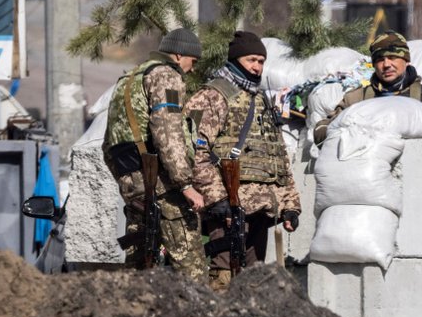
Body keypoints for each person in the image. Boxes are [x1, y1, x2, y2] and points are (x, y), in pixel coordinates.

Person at [184, 31, 301, 291]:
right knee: (223, 278)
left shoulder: (260, 100)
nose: (257, 67)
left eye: (261, 61)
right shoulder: (211, 96)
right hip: (228, 207)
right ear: (236, 60)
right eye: (251, 60)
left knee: (254, 283)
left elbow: (277, 156)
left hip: (261, 208)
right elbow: (193, 150)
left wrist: (290, 205)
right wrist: (217, 199)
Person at [102, 28, 207, 283]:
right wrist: (184, 184)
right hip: (159, 182)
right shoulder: (165, 75)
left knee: (138, 266)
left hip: (134, 182)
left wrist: (127, 182)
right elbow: (167, 130)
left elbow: (108, 143)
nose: (191, 70)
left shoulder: (129, 78)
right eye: (192, 62)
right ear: (179, 55)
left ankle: (136, 316)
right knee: (191, 267)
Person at [313, 30, 422, 146]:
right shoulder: (357, 98)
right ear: (374, 65)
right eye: (380, 59)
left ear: (406, 60)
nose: (386, 65)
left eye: (392, 58)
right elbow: (324, 129)